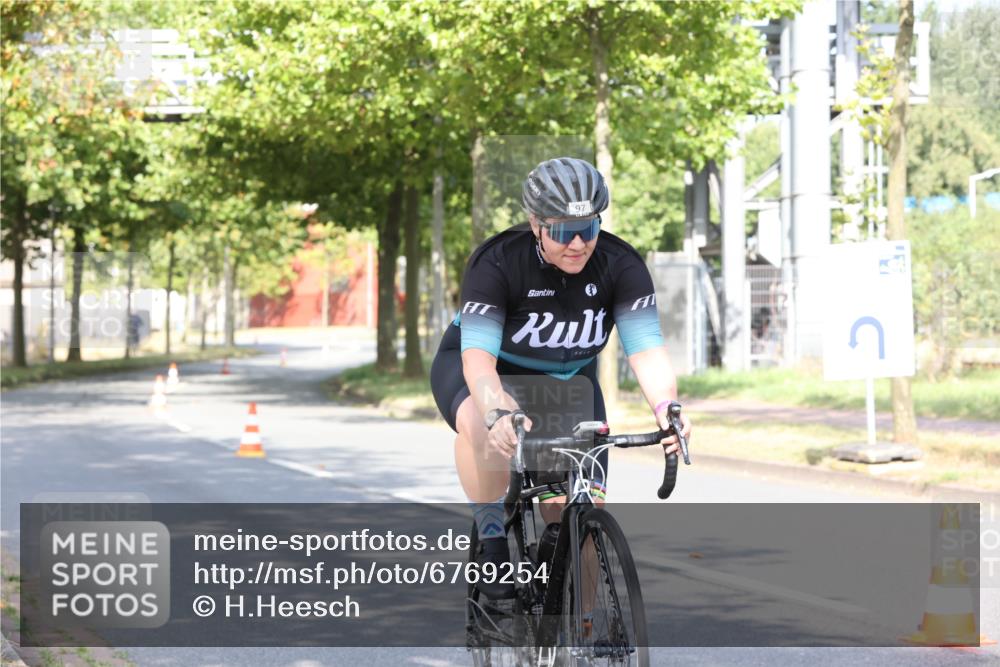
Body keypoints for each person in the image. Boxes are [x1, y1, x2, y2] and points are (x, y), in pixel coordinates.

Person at [430, 157, 692, 598]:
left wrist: (668, 409)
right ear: (535, 224)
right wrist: (496, 410)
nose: (577, 244)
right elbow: (478, 360)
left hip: (569, 383)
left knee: (579, 517)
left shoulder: (620, 264)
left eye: (588, 229)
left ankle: (583, 637)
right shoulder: (497, 263)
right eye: (561, 231)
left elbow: (646, 349)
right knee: (481, 424)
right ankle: (492, 539)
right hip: (486, 370)